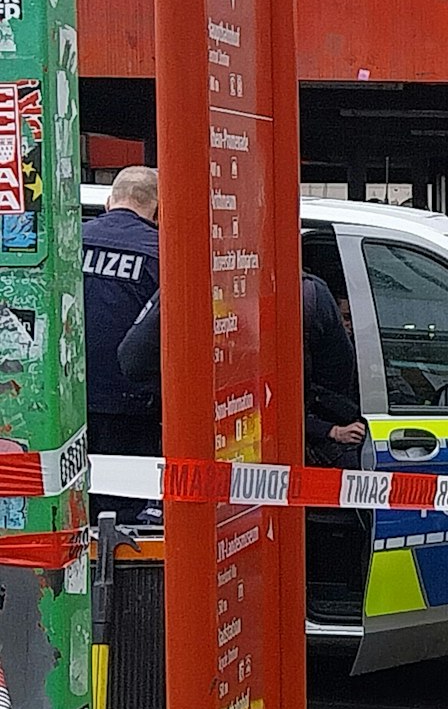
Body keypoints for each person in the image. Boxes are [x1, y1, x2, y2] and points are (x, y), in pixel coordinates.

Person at [119, 270, 364, 467]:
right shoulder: (308, 294)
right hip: (283, 451)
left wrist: (184, 395)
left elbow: (134, 361)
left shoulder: (186, 283)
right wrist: (323, 428)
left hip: (199, 445)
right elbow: (339, 380)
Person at [82, 166, 162, 521]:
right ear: (158, 210)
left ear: (108, 201)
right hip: (131, 409)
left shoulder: (70, 240)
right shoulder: (162, 253)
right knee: (120, 518)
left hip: (66, 403)